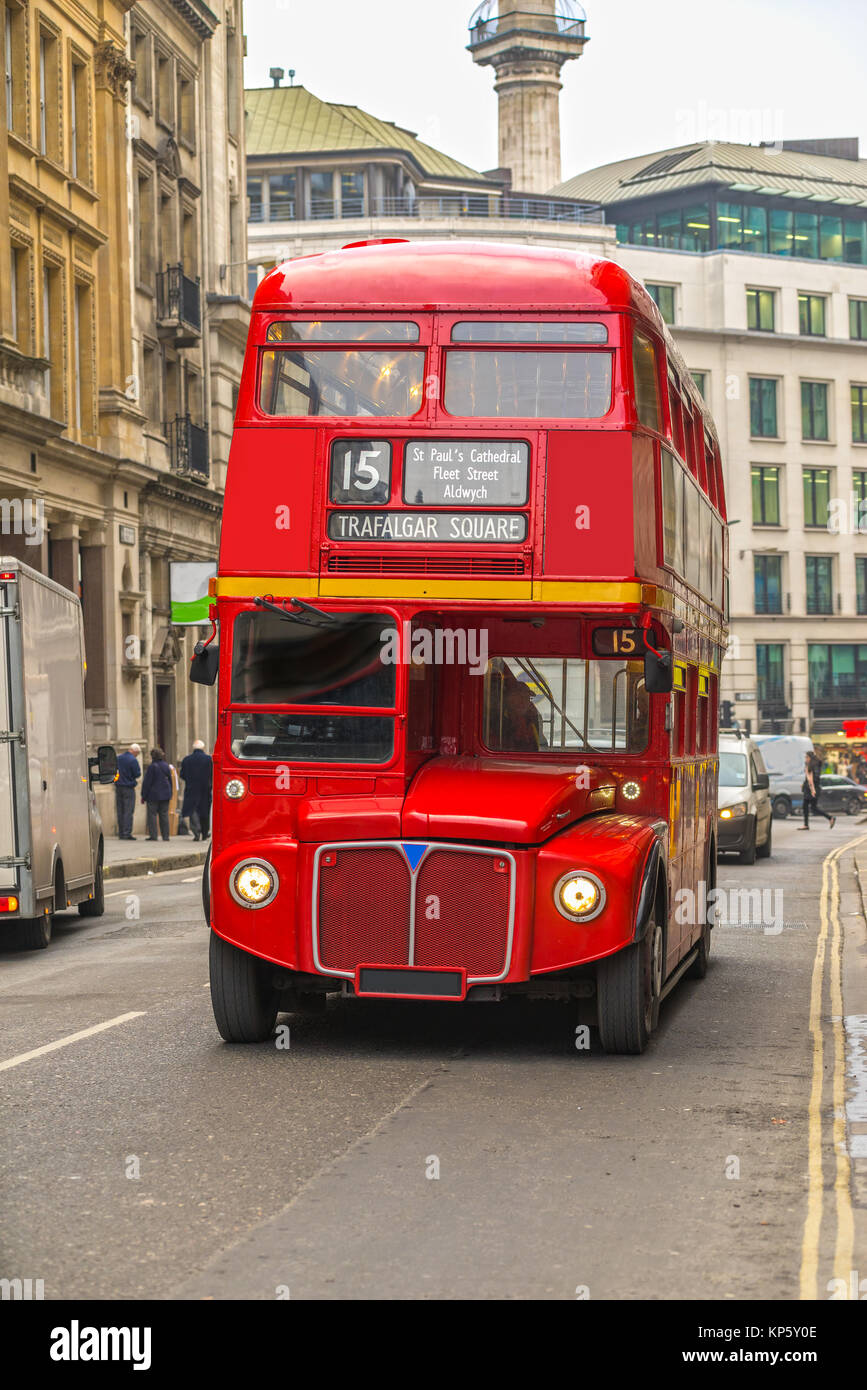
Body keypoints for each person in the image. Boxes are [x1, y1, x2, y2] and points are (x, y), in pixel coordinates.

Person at [179, 739, 213, 841]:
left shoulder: (186, 760)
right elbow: (213, 774)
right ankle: (204, 832)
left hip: (191, 789)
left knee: (192, 810)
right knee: (204, 811)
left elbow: (182, 775)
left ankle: (196, 831)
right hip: (205, 790)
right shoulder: (208, 759)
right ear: (203, 748)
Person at [141, 747, 173, 842]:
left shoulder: (152, 767)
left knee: (152, 815)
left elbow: (147, 783)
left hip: (153, 795)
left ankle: (153, 835)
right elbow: (170, 781)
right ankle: (166, 836)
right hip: (165, 794)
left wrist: (143, 795)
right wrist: (170, 792)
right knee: (164, 815)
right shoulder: (166, 765)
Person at [800, 752, 836, 831]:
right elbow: (809, 778)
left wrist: (810, 786)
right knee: (812, 808)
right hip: (810, 789)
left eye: (806, 757)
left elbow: (815, 778)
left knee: (809, 807)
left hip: (812, 790)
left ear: (810, 758)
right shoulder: (811, 766)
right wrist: (804, 784)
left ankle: (807, 824)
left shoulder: (814, 766)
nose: (805, 759)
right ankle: (830, 818)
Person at [115, 743, 141, 840]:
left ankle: (121, 832)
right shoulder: (133, 760)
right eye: (137, 753)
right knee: (128, 811)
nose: (137, 755)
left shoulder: (119, 758)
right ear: (134, 751)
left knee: (120, 810)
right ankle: (127, 833)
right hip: (128, 787)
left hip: (118, 787)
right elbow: (137, 774)